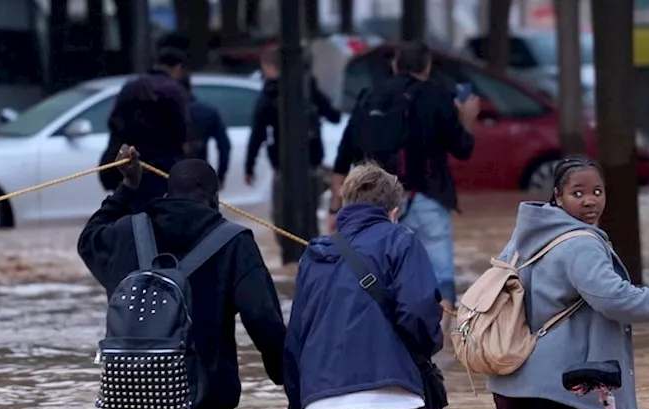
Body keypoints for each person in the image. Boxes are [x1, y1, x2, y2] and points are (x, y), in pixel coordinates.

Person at [77, 148, 287, 409]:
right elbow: (265, 321)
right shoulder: (233, 241)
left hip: (137, 397)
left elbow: (88, 240)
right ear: (215, 198)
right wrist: (288, 380)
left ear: (167, 192)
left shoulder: (126, 231)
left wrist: (126, 189)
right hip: (203, 402)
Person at [484, 156, 649, 409]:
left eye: (597, 191)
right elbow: (614, 298)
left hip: (509, 379)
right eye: (578, 193)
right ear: (558, 197)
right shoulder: (581, 242)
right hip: (561, 385)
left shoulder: (523, 237)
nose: (591, 200)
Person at [283, 162, 444, 409]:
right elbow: (418, 315)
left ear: (343, 205)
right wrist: (425, 351)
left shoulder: (313, 255)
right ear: (393, 211)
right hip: (391, 398)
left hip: (324, 406)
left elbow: (296, 338)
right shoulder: (400, 240)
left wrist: (303, 407)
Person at [331, 41, 479, 322]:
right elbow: (463, 149)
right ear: (427, 66)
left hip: (374, 202)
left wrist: (335, 207)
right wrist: (466, 120)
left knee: (380, 273)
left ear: (395, 65)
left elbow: (343, 156)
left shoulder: (369, 95)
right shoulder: (436, 96)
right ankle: (443, 343)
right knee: (439, 273)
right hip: (426, 196)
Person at [243, 44, 341, 228]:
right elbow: (334, 116)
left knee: (283, 219)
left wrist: (249, 166)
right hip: (311, 163)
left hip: (283, 166)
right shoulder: (309, 89)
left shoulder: (269, 94)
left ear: (270, 67)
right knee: (309, 215)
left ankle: (292, 251)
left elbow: (258, 133)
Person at [96, 72, 189, 207]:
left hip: (131, 190)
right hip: (163, 179)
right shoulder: (167, 119)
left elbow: (107, 174)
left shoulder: (121, 129)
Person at [181, 71, 231, 184]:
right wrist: (220, 175)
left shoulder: (162, 113)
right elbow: (224, 146)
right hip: (200, 173)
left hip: (167, 174)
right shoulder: (207, 112)